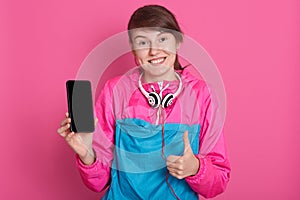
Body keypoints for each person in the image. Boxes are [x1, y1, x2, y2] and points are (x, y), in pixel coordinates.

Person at [57, 5, 230, 200]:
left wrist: (196, 168)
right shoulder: (115, 90)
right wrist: (86, 154)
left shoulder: (202, 94)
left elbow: (219, 182)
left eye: (163, 39)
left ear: (178, 42)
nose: (153, 51)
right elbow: (98, 183)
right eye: (142, 42)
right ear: (133, 50)